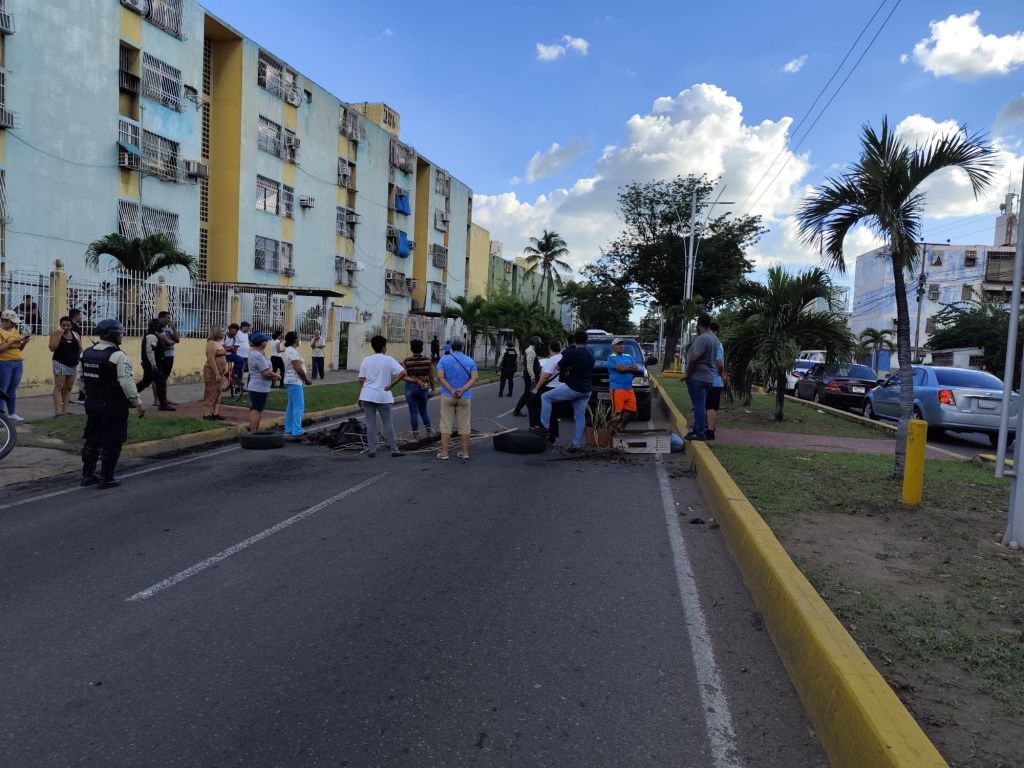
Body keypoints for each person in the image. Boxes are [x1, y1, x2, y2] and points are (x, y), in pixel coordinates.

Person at [79, 319, 145, 488]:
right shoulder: (118, 356)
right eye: (120, 333)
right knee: (113, 440)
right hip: (113, 405)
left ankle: (87, 475)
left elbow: (80, 379)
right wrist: (137, 402)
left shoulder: (86, 353)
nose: (122, 336)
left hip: (93, 404)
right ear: (114, 335)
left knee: (92, 438)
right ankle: (106, 477)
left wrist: (89, 394)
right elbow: (126, 382)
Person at [541, 330, 595, 451]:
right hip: (586, 390)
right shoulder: (591, 353)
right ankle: (576, 444)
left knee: (546, 397)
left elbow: (558, 367)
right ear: (586, 341)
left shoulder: (572, 353)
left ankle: (544, 427)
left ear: (575, 340)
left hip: (573, 387)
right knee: (580, 416)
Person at [357, 335, 406, 457]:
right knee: (388, 423)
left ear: (373, 347)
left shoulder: (366, 360)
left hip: (367, 395)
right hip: (383, 395)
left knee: (370, 423)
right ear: (384, 347)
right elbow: (403, 373)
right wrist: (392, 385)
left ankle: (371, 450)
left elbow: (361, 380)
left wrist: (360, 396)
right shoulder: (388, 359)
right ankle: (394, 450)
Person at [436, 337, 478, 460]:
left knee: (445, 423)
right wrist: (462, 389)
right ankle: (464, 452)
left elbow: (440, 377)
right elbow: (474, 378)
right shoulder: (470, 360)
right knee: (464, 424)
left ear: (451, 347)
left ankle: (444, 452)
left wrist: (452, 390)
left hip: (448, 395)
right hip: (464, 396)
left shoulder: (444, 359)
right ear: (463, 346)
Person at [684, 314, 724, 441]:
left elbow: (695, 356)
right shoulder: (715, 340)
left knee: (699, 404)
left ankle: (699, 431)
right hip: (709, 377)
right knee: (701, 403)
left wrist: (688, 372)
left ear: (699, 324)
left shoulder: (703, 338)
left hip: (698, 376)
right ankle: (697, 428)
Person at [135, 319, 174, 411]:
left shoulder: (152, 335)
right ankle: (163, 405)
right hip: (152, 364)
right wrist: (153, 364)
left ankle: (128, 400)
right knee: (161, 383)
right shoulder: (152, 336)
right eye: (160, 325)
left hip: (151, 363)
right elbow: (150, 351)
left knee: (145, 382)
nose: (162, 327)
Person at [0, 309, 31, 421]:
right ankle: (1, 414)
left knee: (12, 389)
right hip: (4, 363)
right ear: (4, 320)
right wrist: (12, 342)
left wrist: (24, 343)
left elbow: (19, 348)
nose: (14, 324)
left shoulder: (15, 331)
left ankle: (12, 413)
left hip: (17, 362)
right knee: (2, 389)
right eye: (11, 322)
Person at [246, 332, 280, 431]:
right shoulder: (257, 355)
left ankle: (255, 431)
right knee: (256, 410)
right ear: (261, 343)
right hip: (259, 387)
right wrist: (277, 376)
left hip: (257, 387)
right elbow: (266, 373)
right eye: (265, 341)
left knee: (258, 409)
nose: (266, 342)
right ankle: (253, 432)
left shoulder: (254, 352)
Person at [48, 316, 82, 416]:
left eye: (68, 325)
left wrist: (80, 356)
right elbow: (52, 348)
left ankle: (65, 411)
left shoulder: (75, 335)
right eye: (63, 325)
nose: (66, 327)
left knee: (68, 388)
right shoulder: (56, 334)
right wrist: (59, 335)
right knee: (59, 387)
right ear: (60, 325)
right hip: (60, 362)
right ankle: (58, 412)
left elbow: (80, 347)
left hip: (73, 363)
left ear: (71, 326)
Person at [402, 338, 435, 438]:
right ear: (422, 348)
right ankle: (429, 431)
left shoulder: (407, 361)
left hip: (410, 387)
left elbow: (403, 375)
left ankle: (415, 434)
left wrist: (413, 379)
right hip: (423, 387)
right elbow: (431, 376)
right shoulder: (428, 360)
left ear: (411, 349)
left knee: (413, 411)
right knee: (424, 410)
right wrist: (432, 388)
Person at [531, 340, 563, 442]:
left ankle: (541, 429)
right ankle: (553, 437)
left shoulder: (552, 360)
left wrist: (536, 388)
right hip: (560, 388)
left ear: (550, 349)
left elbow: (545, 376)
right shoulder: (562, 358)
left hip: (550, 387)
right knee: (553, 413)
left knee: (532, 403)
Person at [282, 331, 312, 438]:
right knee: (299, 405)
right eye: (298, 338)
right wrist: (306, 379)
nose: (299, 340)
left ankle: (289, 428)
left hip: (290, 380)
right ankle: (297, 430)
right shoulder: (292, 351)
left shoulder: (289, 350)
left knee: (291, 406)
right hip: (295, 380)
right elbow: (298, 368)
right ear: (295, 340)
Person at [607, 337, 640, 430]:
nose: (621, 346)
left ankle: (621, 427)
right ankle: (611, 433)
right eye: (618, 344)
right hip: (617, 388)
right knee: (617, 412)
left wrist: (626, 368)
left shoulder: (628, 356)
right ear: (613, 347)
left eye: (622, 344)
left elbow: (636, 367)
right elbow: (620, 369)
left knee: (632, 410)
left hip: (629, 388)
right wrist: (630, 367)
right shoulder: (611, 357)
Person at [201, 326, 228, 421]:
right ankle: (206, 414)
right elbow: (211, 359)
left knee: (218, 391)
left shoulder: (218, 343)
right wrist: (216, 373)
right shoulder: (211, 343)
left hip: (220, 371)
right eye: (221, 331)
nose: (223, 332)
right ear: (216, 332)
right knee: (211, 391)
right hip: (212, 370)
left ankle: (215, 413)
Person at [706, 321, 727, 441]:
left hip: (714, 380)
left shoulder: (715, 344)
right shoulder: (717, 343)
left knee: (710, 407)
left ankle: (710, 431)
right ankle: (710, 427)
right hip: (716, 381)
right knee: (712, 407)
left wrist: (721, 373)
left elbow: (719, 362)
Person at [512, 336, 542, 417]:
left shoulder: (530, 350)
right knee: (528, 394)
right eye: (538, 344)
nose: (539, 346)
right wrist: (532, 377)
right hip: (530, 376)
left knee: (529, 393)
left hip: (529, 375)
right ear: (535, 344)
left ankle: (519, 410)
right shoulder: (531, 351)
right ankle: (517, 410)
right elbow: (529, 365)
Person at [69, 309, 88, 405]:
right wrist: (81, 351)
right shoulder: (74, 328)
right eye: (80, 315)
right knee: (80, 375)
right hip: (74, 354)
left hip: (72, 353)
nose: (81, 317)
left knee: (69, 376)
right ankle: (81, 396)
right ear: (75, 316)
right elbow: (77, 341)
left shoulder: (71, 327)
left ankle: (66, 397)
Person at [158, 311, 180, 390]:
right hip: (159, 356)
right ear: (161, 318)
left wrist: (174, 328)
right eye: (168, 318)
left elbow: (177, 340)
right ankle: (156, 400)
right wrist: (171, 342)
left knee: (165, 377)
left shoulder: (169, 329)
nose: (169, 320)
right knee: (157, 378)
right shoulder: (157, 328)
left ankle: (164, 398)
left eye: (170, 318)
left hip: (169, 355)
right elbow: (167, 342)